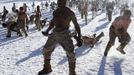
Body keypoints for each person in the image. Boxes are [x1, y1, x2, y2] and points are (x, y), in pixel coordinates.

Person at [38, 0, 82, 75]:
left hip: (65, 34)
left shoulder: (70, 12)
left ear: (65, 2)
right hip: (55, 33)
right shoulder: (55, 12)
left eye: (61, 2)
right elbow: (53, 22)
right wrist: (47, 31)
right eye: (58, 2)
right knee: (46, 50)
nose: (59, 3)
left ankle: (72, 72)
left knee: (70, 53)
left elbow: (76, 24)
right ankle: (47, 67)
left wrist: (79, 36)